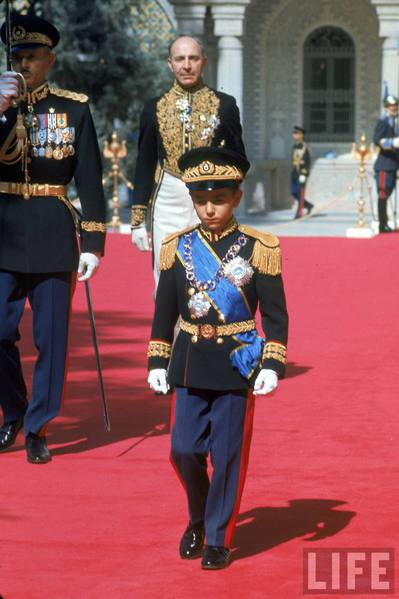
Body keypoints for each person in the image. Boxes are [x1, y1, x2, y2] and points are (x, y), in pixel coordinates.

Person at [147, 147, 289, 569]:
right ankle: (200, 514)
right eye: (201, 200)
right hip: (190, 361)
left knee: (227, 455)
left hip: (236, 362)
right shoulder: (177, 247)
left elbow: (277, 317)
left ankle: (217, 538)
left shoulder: (258, 247)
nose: (209, 208)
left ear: (237, 198)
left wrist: (273, 364)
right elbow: (164, 311)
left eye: (219, 199)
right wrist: (157, 359)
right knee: (183, 450)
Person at [0, 14, 106, 463]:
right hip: (3, 228)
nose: (25, 65)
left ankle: (39, 425)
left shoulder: (74, 109)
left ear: (51, 60)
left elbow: (91, 182)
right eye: (17, 57)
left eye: (33, 57)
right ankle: (14, 411)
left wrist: (95, 244)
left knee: (51, 339)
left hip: (52, 230)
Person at [130, 35, 246, 287]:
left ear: (203, 61)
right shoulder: (154, 107)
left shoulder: (224, 105)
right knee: (166, 272)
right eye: (179, 59)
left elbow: (239, 158)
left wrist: (226, 194)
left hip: (209, 195)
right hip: (168, 195)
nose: (186, 65)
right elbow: (145, 162)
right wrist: (138, 219)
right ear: (169, 63)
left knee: (209, 270)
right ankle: (166, 327)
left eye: (193, 58)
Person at [372, 94, 399, 233]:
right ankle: (383, 224)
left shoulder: (395, 122)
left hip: (393, 164)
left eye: (395, 106)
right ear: (386, 107)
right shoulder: (383, 121)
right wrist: (391, 143)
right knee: (383, 193)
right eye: (390, 106)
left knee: (389, 191)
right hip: (384, 164)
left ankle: (387, 221)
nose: (393, 108)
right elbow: (376, 139)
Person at [291, 125, 313, 219]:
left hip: (301, 174)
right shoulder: (295, 146)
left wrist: (304, 174)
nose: (294, 135)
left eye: (296, 133)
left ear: (301, 135)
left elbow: (308, 161)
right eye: (294, 133)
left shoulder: (305, 147)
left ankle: (298, 214)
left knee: (300, 193)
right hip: (294, 173)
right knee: (294, 192)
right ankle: (308, 205)